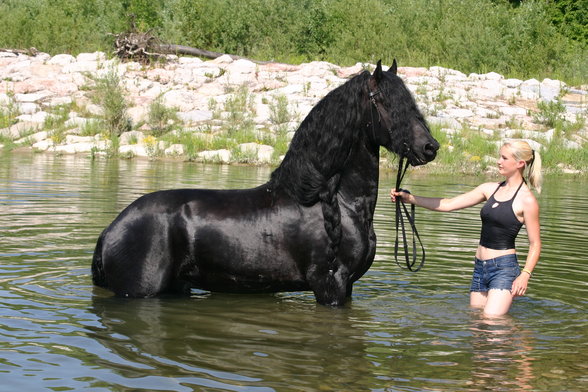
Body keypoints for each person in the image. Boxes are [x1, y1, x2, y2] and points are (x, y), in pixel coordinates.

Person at [390, 139, 542, 316]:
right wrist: (410, 199)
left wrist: (525, 275)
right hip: (480, 267)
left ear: (520, 163)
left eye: (504, 158)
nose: (498, 161)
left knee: (492, 323)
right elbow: (449, 204)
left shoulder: (527, 200)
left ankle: (522, 340)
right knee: (477, 326)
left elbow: (535, 244)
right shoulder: (489, 189)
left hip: (504, 270)